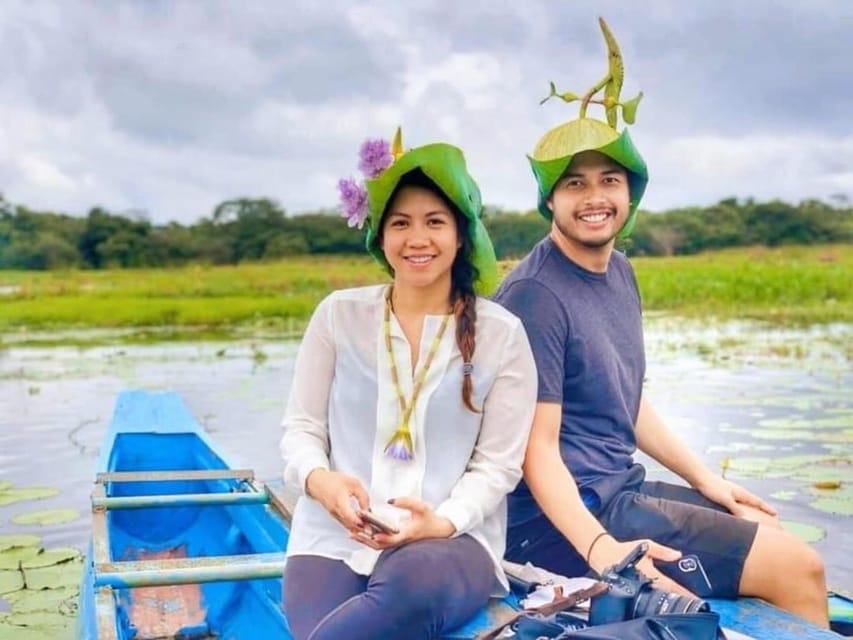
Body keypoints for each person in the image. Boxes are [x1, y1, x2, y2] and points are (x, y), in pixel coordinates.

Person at [494, 19, 828, 627]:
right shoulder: (533, 295)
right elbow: (534, 451)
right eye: (574, 183)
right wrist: (601, 549)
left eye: (609, 180)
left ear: (630, 193)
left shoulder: (619, 271)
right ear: (549, 200)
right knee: (797, 568)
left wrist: (710, 483)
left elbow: (626, 400)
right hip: (565, 522)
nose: (594, 196)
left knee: (766, 525)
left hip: (620, 488)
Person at [280, 129, 537, 640]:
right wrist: (320, 482)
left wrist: (440, 522)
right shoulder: (338, 316)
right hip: (333, 534)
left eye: (435, 222)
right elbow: (300, 428)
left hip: (449, 541)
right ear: (380, 237)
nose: (417, 239)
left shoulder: (502, 334)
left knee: (408, 591)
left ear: (461, 235)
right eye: (401, 223)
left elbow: (498, 466)